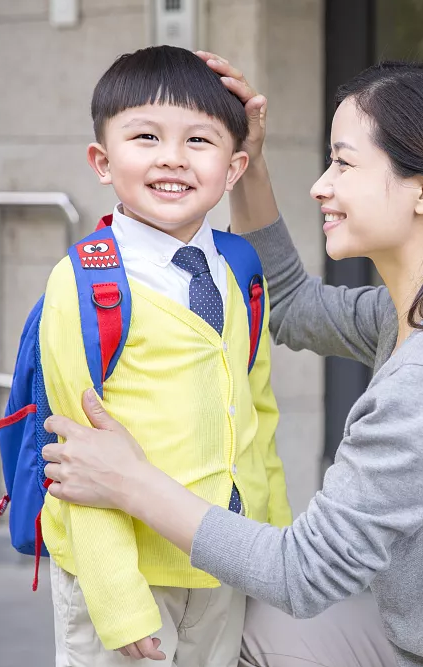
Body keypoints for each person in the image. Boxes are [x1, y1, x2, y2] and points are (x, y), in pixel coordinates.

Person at [43, 54, 423, 667]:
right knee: (240, 623)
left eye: (343, 162)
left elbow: (303, 573)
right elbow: (288, 304)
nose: (321, 185)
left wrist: (129, 481)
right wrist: (252, 161)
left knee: (246, 614)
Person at [38, 45, 292, 666]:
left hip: (224, 561)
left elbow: (258, 417)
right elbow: (79, 454)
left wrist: (274, 552)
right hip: (127, 576)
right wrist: (117, 598)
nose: (172, 158)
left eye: (199, 141)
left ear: (234, 169)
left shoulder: (238, 268)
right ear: (103, 160)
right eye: (146, 136)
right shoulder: (85, 283)